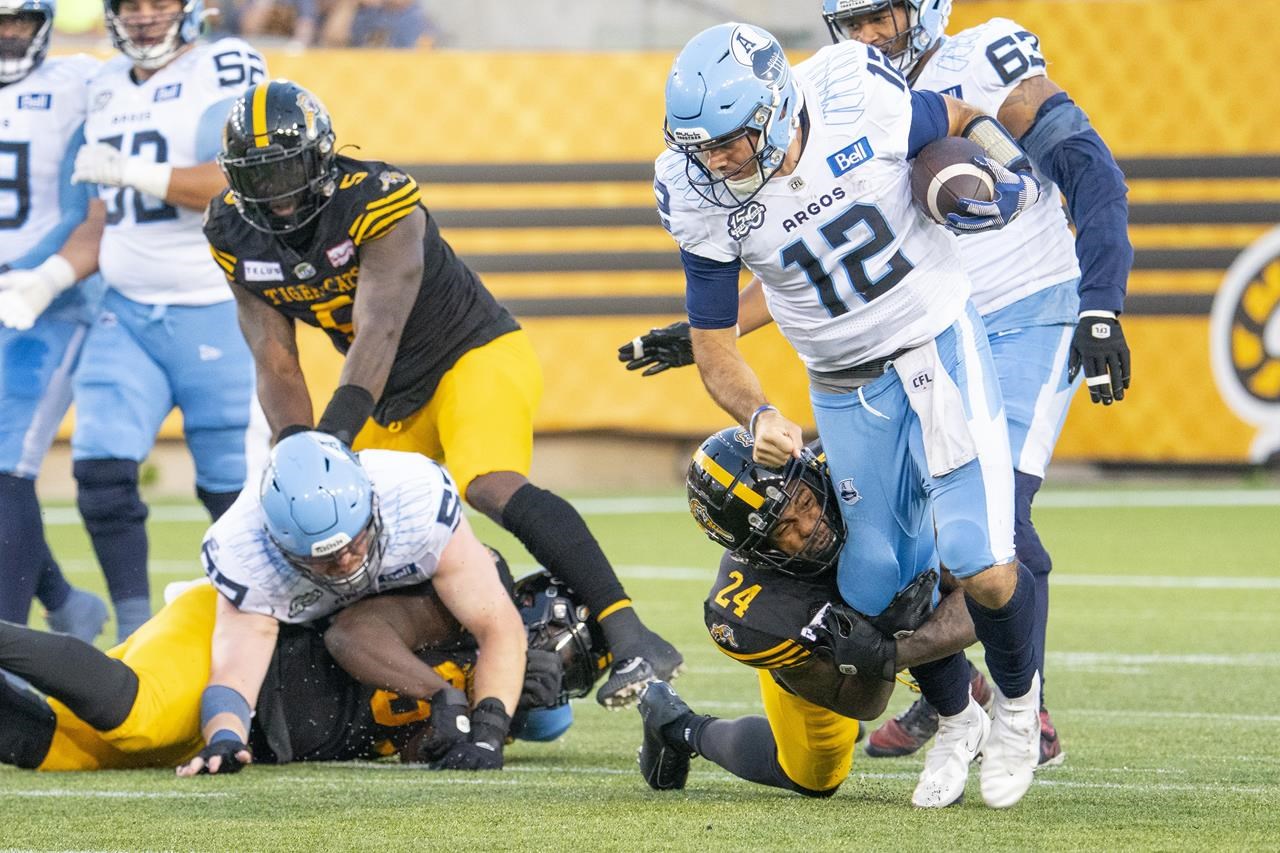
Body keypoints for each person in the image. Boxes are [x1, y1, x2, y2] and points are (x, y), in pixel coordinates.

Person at [657, 22, 1045, 808]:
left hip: (934, 345)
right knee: (875, 579)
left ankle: (1015, 708)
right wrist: (758, 408)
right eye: (698, 145)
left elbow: (961, 119)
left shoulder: (854, 98)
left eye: (728, 142)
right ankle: (954, 715)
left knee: (982, 561)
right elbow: (713, 342)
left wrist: (1007, 175)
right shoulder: (695, 191)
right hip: (840, 386)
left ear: (773, 112)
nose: (713, 161)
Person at [202, 79, 682, 708]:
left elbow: (380, 329)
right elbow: (275, 360)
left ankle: (629, 633)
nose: (279, 196)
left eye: (288, 169)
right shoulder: (232, 231)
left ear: (321, 157)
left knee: (486, 482)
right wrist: (296, 451)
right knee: (327, 524)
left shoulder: (380, 199)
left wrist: (333, 440)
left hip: (469, 356)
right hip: (385, 398)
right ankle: (473, 665)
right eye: (259, 178)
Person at [817, 0, 1131, 768]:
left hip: (1029, 311)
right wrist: (711, 332)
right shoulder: (846, 100)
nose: (864, 36)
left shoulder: (984, 60)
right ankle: (952, 693)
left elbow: (1091, 170)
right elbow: (822, 242)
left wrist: (1101, 305)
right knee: (911, 539)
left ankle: (1032, 710)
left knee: (998, 523)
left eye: (878, 16)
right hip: (931, 329)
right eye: (849, 21)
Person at [638, 427, 988, 806]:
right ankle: (679, 726)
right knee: (815, 778)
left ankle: (962, 689)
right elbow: (861, 704)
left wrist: (901, 645)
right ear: (755, 551)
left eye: (805, 501)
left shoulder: (855, 466)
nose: (809, 526)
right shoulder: (755, 610)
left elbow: (988, 587)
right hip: (830, 659)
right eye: (783, 527)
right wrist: (881, 644)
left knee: (931, 580)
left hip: (875, 637)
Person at [66, 0, 267, 642]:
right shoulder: (102, 86)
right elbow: (102, 219)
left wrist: (135, 170)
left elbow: (242, 179)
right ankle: (132, 633)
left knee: (233, 498)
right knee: (99, 476)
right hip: (125, 312)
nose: (146, 16)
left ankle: (252, 631)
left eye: (159, 3)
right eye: (133, 5)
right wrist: (41, 280)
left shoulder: (227, 65)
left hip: (216, 308)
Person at [0, 568, 595, 771]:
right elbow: (354, 635)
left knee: (68, 749)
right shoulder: (464, 597)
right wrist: (446, 691)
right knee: (140, 717)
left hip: (263, 723)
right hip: (242, 642)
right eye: (562, 645)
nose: (559, 666)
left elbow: (408, 744)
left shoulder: (494, 710)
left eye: (574, 668)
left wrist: (486, 722)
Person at [0, 0, 108, 643]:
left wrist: (37, 276)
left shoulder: (78, 82)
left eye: (22, 22)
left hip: (47, 303)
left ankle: (9, 643)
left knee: (9, 465)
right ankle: (67, 604)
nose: (11, 35)